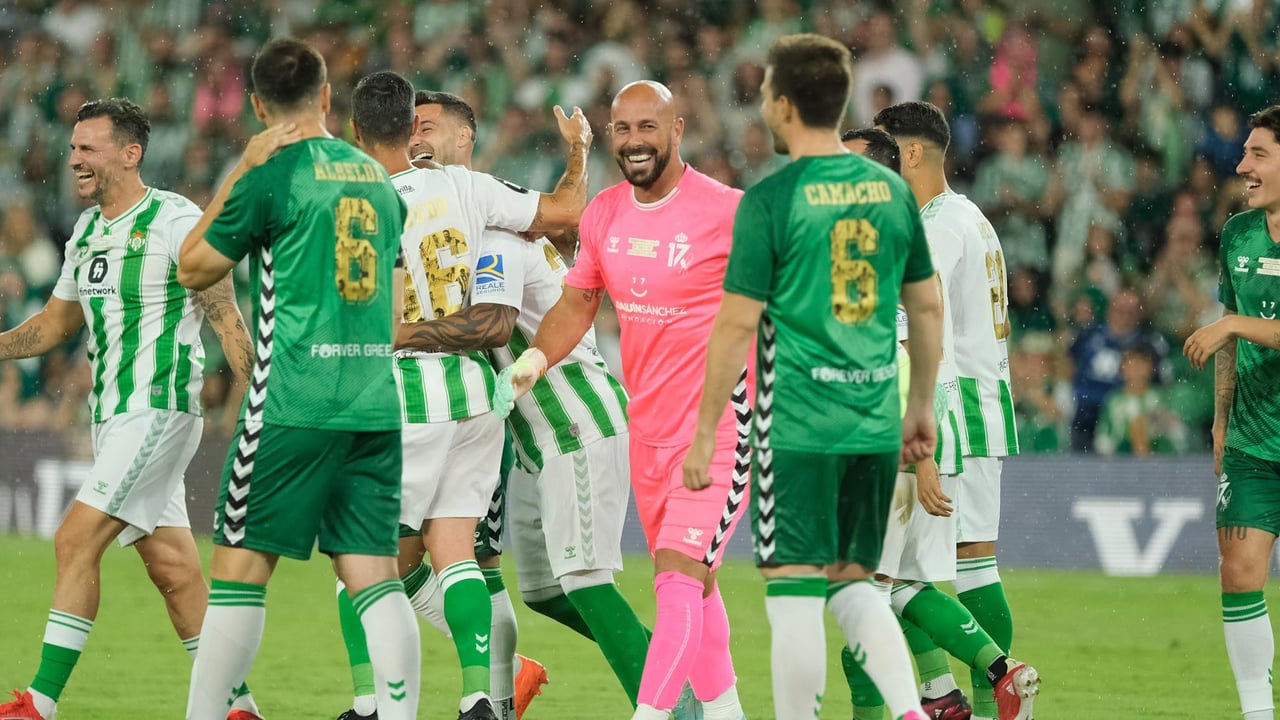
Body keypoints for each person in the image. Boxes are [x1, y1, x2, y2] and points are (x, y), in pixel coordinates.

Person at [682, 33, 939, 720]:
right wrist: (919, 407)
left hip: (796, 424)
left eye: (768, 90)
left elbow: (736, 326)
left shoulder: (771, 201)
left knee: (793, 589)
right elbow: (927, 303)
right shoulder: (890, 191)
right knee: (856, 586)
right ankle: (911, 714)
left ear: (785, 104)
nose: (763, 102)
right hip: (874, 420)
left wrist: (706, 430)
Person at [176, 39, 420, 720]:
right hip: (373, 405)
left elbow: (193, 267)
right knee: (375, 579)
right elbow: (396, 305)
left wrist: (241, 169)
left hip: (292, 403)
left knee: (238, 574)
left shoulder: (273, 172)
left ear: (257, 107)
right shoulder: (375, 175)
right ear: (324, 98)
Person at [339, 72, 591, 720]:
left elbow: (359, 313)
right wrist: (579, 154)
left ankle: (373, 704)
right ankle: (482, 696)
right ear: (409, 129)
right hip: (480, 392)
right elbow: (565, 213)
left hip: (407, 395)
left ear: (357, 133)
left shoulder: (361, 201)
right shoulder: (470, 187)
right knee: (457, 553)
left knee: (363, 560)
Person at [0, 98, 262, 720]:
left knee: (72, 540)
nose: (74, 161)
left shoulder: (176, 220)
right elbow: (54, 324)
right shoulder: (87, 231)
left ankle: (38, 704)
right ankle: (238, 709)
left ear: (130, 152)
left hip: (159, 406)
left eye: (87, 149)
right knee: (174, 570)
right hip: (114, 418)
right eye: (72, 150)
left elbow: (226, 319)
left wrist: (260, 407)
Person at [498, 79, 750, 720]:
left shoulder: (729, 212)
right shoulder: (606, 213)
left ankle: (652, 713)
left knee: (675, 581)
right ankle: (725, 713)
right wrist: (534, 357)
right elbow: (579, 301)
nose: (635, 141)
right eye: (623, 128)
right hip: (649, 432)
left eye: (648, 127)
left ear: (677, 130)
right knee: (700, 584)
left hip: (718, 431)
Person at [402, 89, 655, 712]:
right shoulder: (466, 227)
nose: (415, 139)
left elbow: (490, 326)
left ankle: (676, 700)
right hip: (529, 441)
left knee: (589, 585)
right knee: (543, 590)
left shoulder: (494, 236)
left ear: (465, 138)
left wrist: (391, 334)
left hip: (575, 422)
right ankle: (663, 661)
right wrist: (577, 158)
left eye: (427, 127)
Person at [847, 104, 1040, 720]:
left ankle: (979, 691)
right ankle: (954, 697)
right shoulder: (968, 216)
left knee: (929, 575)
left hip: (946, 410)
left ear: (908, 155)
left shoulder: (932, 226)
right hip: (970, 406)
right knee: (932, 572)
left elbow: (911, 322)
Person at [1183, 104, 1280, 720]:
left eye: (1259, 154)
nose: (1242, 165)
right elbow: (1229, 342)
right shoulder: (1238, 234)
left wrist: (1234, 324)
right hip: (1250, 442)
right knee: (1239, 573)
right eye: (1245, 153)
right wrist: (1220, 420)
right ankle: (1255, 713)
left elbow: (1231, 327)